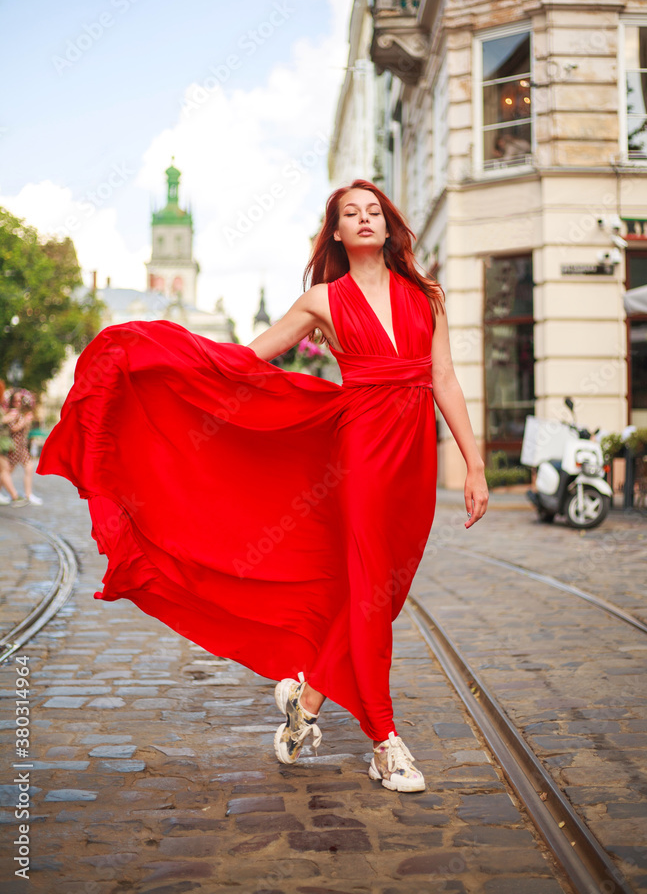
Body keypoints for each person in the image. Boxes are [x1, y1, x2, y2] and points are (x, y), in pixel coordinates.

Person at [37, 179, 488, 793]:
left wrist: (475, 465)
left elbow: (446, 381)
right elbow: (244, 361)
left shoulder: (426, 295)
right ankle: (385, 740)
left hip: (415, 460)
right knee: (369, 596)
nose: (363, 220)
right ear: (335, 231)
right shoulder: (322, 301)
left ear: (389, 226)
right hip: (358, 450)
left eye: (373, 212)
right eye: (349, 213)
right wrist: (165, 359)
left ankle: (306, 704)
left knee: (380, 591)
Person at [4, 389, 41, 505]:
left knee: (29, 467)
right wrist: (24, 421)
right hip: (14, 446)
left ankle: (28, 494)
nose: (18, 403)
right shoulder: (12, 413)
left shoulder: (20, 413)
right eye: (15, 400)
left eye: (20, 400)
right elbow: (13, 429)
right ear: (11, 401)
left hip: (22, 446)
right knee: (6, 471)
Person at [0, 381, 28, 507]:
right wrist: (5, 419)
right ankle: (15, 496)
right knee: (5, 469)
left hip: (5, 443)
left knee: (4, 469)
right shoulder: (7, 412)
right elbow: (8, 426)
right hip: (2, 443)